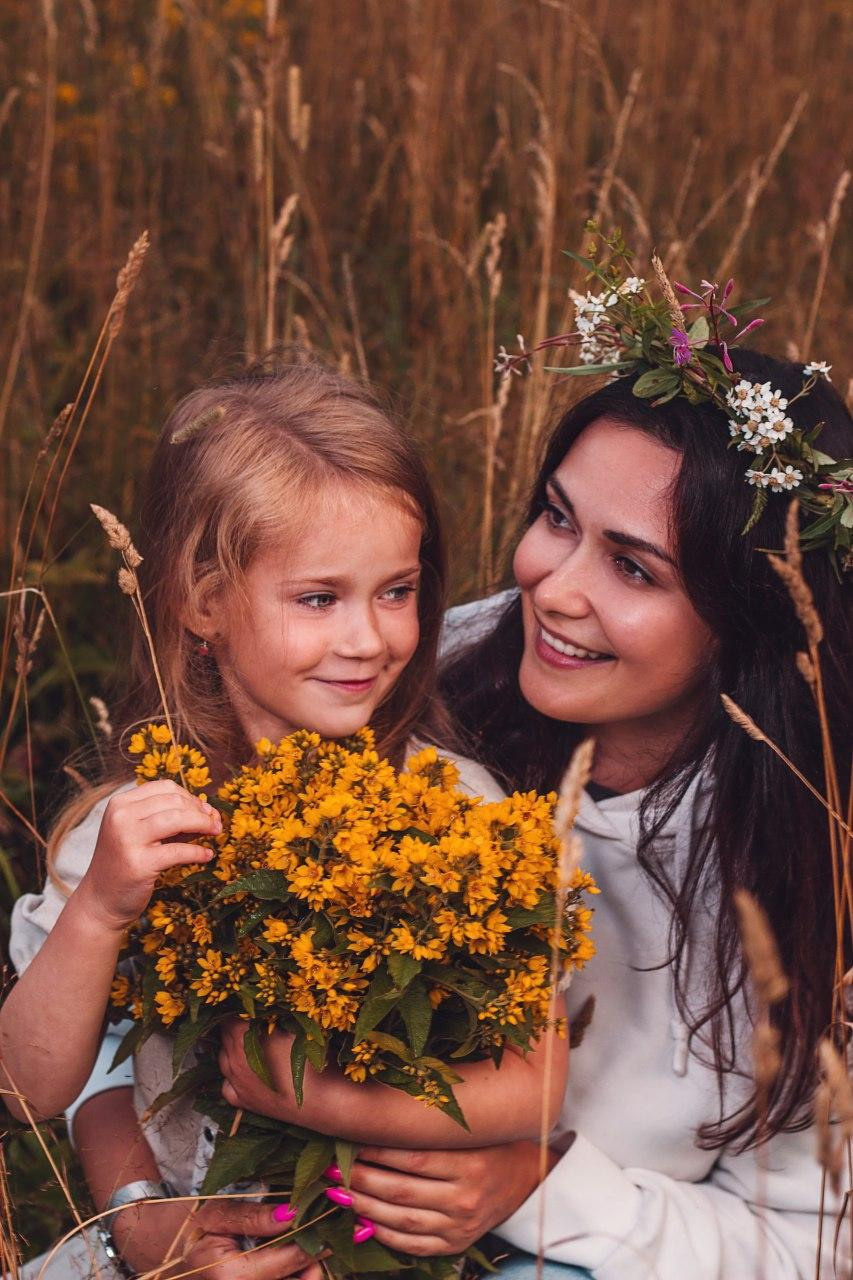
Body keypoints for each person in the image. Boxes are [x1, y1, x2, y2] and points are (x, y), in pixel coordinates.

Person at [215, 346, 851, 1280]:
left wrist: (540, 1189)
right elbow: (135, 986)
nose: (550, 589)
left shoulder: (812, 857)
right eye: (557, 518)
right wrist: (142, 1211)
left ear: (749, 614)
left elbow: (812, 1239)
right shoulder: (391, 675)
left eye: (633, 570)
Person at [3, 361, 566, 1279]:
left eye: (397, 591)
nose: (370, 638)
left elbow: (534, 1087)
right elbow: (27, 1092)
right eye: (318, 598)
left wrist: (327, 1110)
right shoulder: (137, 826)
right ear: (203, 601)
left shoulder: (458, 809)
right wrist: (101, 910)